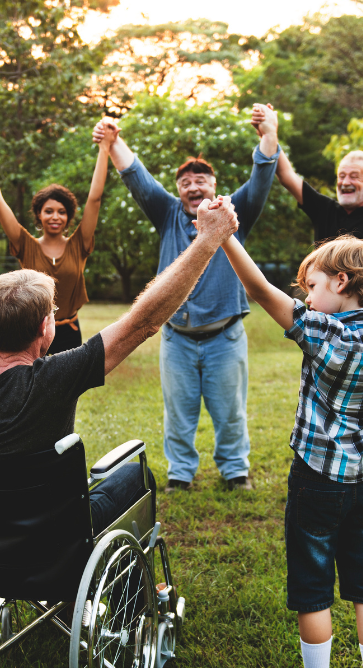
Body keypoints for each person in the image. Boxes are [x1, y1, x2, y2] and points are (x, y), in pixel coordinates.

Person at [0, 157, 242, 527]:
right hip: (54, 532)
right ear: (47, 328)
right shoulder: (58, 376)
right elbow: (144, 322)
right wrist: (207, 241)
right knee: (139, 478)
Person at [219, 192, 363, 668]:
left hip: (316, 478)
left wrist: (223, 237)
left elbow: (258, 289)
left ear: (340, 283)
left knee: (312, 584)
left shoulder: (321, 331)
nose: (306, 296)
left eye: (311, 286)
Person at [92, 104, 282, 492]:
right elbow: (135, 176)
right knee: (178, 414)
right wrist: (114, 141)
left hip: (225, 337)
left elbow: (262, 175)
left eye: (201, 180)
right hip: (176, 338)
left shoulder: (234, 213)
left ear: (214, 185)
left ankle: (235, 472)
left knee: (230, 413)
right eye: (186, 183)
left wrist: (269, 132)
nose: (194, 187)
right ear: (179, 191)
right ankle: (180, 473)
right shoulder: (166, 214)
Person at [265, 108, 363, 509]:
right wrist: (272, 132)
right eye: (342, 175)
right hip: (324, 323)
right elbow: (287, 175)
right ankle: (345, 471)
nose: (345, 181)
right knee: (325, 397)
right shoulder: (326, 209)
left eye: (354, 177)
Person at [0, 124, 115, 354]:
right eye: (48, 211)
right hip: (29, 333)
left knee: (68, 390)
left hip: (69, 331)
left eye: (62, 212)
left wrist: (104, 148)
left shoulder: (79, 244)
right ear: (39, 216)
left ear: (69, 217)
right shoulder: (26, 245)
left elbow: (95, 199)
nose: (55, 216)